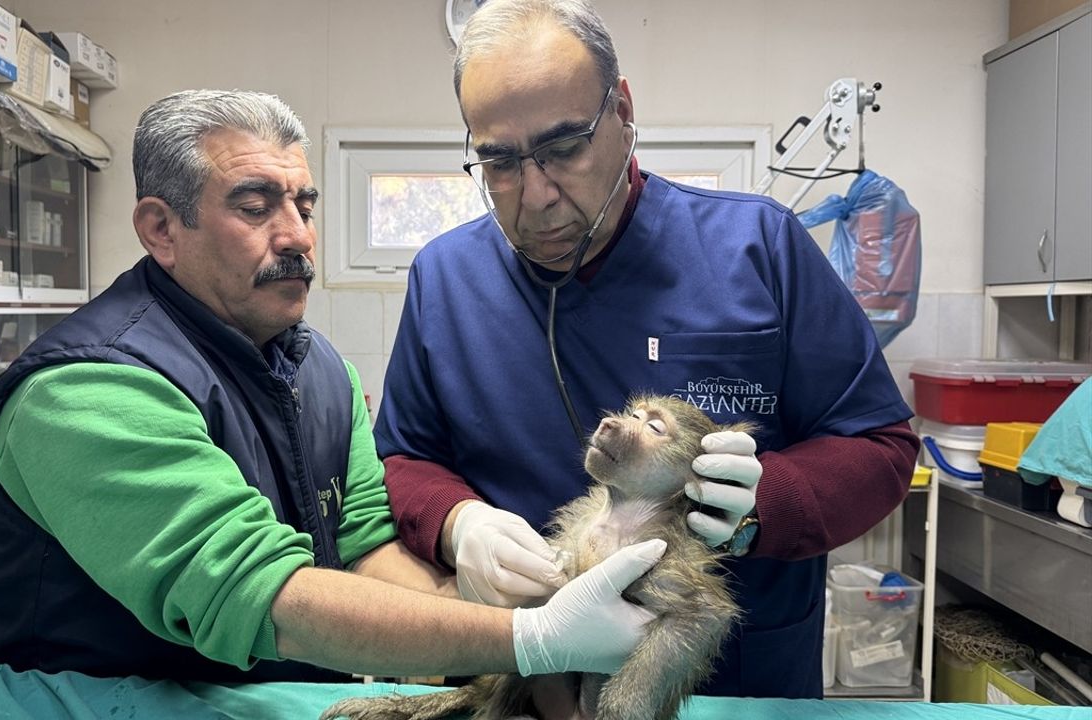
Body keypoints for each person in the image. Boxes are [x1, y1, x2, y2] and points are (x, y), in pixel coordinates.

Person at [0, 89, 667, 685]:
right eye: (255, 206)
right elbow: (261, 596)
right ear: (161, 229)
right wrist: (530, 641)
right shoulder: (89, 390)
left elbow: (366, 549)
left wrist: (493, 604)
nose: (298, 236)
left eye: (305, 205)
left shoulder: (320, 370)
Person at [375, 0, 920, 699]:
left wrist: (763, 503)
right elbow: (404, 459)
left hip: (734, 687)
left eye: (565, 147)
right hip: (521, 680)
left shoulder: (759, 247)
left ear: (623, 112)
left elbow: (879, 446)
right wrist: (458, 522)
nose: (535, 195)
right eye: (500, 162)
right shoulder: (445, 278)